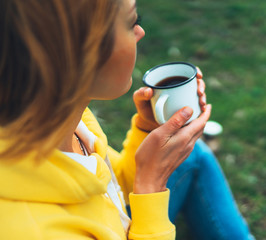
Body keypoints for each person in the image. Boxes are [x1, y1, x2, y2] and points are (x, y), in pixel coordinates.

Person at [0, 0, 253, 239]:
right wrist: (151, 186)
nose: (140, 32)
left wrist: (148, 130)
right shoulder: (32, 230)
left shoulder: (66, 119)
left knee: (194, 154)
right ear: (77, 52)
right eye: (133, 21)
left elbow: (110, 189)